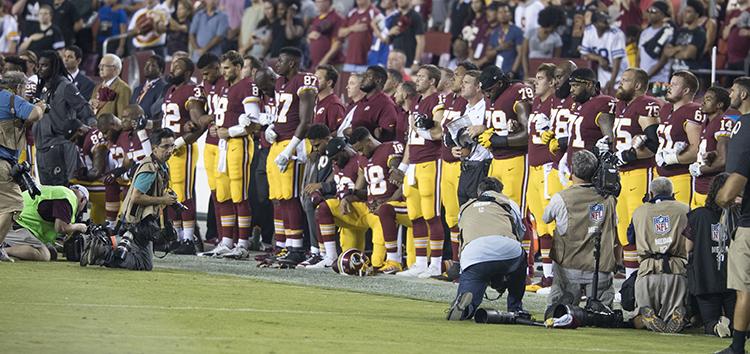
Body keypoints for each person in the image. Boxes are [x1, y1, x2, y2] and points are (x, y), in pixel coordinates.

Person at [80, 128, 177, 271]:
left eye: (172, 145)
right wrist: (163, 200)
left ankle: (103, 247)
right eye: (165, 146)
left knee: (140, 257)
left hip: (140, 219)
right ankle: (102, 251)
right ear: (155, 148)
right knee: (144, 264)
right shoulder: (150, 169)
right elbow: (136, 197)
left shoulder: (160, 165)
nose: (170, 150)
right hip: (137, 221)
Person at [543, 150, 618, 310]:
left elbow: (545, 218)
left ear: (573, 171)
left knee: (558, 314)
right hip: (600, 269)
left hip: (568, 269)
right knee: (602, 317)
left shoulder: (561, 198)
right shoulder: (609, 199)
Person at [607, 68, 663, 279]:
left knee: (639, 228)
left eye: (625, 80)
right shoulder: (622, 105)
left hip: (641, 173)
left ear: (638, 85)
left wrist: (629, 155)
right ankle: (631, 281)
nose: (619, 84)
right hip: (623, 175)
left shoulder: (646, 104)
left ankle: (645, 278)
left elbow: (655, 144)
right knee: (624, 231)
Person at [265, 47, 318, 265]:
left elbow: (305, 120)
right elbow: (283, 113)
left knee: (291, 197)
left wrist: (290, 149)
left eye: (282, 61)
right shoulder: (280, 83)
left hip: (293, 145)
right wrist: (272, 126)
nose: (277, 65)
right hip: (279, 142)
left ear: (293, 63)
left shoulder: (304, 81)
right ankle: (286, 244)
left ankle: (296, 247)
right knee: (279, 198)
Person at [446, 177, 526, 320]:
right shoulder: (509, 203)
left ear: (479, 193)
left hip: (473, 254)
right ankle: (515, 307)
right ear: (500, 191)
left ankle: (465, 307)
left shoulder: (465, 207)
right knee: (520, 256)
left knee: (475, 281)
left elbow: (463, 236)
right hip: (506, 248)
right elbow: (519, 233)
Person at [392, 64, 446, 278]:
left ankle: (436, 263)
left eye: (422, 76)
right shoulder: (416, 102)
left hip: (431, 161)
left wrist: (422, 130)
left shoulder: (437, 101)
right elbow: (410, 138)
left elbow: (439, 131)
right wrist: (404, 165)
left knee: (431, 214)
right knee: (415, 215)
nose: (417, 79)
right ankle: (421, 262)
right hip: (414, 162)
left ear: (432, 81)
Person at [208, 51, 260, 259]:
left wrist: (229, 131)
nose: (223, 71)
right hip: (223, 144)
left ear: (238, 67)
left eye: (228, 67)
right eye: (222, 67)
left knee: (240, 194)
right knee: (224, 194)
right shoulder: (226, 87)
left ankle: (243, 244)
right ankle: (227, 241)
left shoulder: (247, 86)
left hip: (238, 144)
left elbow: (254, 122)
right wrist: (217, 128)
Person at [715, 76, 750, 354]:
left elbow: (739, 173)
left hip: (749, 223)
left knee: (745, 288)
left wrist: (723, 198)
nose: (731, 94)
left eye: (734, 90)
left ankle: (737, 347)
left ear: (745, 94)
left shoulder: (745, 126)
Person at [160, 56, 209, 255]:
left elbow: (199, 124)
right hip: (168, 149)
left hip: (183, 148)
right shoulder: (171, 90)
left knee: (184, 193)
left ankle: (189, 239)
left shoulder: (192, 90)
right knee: (171, 194)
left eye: (178, 67)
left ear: (188, 73)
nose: (172, 70)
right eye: (172, 66)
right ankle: (178, 236)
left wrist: (180, 141)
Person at [630, 177, 690, 333]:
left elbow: (630, 238)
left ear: (651, 193)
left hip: (647, 272)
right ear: (672, 193)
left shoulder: (639, 211)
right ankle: (676, 315)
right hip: (676, 272)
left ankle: (645, 316)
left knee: (636, 318)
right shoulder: (685, 209)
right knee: (679, 313)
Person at [350, 127, 409, 272]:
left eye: (361, 148)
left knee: (377, 263)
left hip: (393, 205)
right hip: (374, 208)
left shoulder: (390, 148)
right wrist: (351, 196)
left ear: (368, 141)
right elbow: (369, 188)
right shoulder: (362, 159)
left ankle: (393, 261)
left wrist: (387, 200)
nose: (360, 153)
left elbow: (400, 180)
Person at [474, 65, 532, 214]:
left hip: (516, 160)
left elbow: (528, 135)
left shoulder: (518, 92)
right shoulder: (492, 96)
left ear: (500, 84)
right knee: (495, 209)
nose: (487, 95)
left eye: (489, 90)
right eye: (484, 91)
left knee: (515, 210)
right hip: (496, 160)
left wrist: (496, 141)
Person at [0, 73, 45, 262]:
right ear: (18, 87)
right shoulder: (9, 97)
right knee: (14, 204)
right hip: (2, 162)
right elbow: (34, 114)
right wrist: (40, 107)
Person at [33, 50, 95, 186]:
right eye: (39, 65)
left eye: (44, 65)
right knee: (47, 193)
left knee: (63, 191)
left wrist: (91, 132)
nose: (40, 69)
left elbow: (85, 109)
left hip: (59, 145)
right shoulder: (42, 87)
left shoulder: (65, 86)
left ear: (54, 66)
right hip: (41, 147)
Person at [524, 63, 560, 291]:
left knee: (553, 225)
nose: (535, 82)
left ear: (552, 81)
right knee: (540, 224)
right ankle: (546, 276)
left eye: (540, 78)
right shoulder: (538, 103)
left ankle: (556, 277)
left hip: (548, 167)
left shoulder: (556, 104)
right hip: (534, 168)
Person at [686, 173, 735, 338]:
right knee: (738, 324)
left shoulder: (698, 215)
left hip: (706, 279)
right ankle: (730, 324)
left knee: (708, 323)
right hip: (732, 278)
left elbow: (687, 247)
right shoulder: (738, 215)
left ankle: (716, 326)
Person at [440, 61, 477, 265]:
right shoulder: (450, 99)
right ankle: (456, 263)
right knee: (451, 218)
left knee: (464, 218)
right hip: (446, 162)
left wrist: (466, 149)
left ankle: (467, 262)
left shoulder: (468, 101)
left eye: (458, 76)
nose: (455, 79)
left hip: (462, 164)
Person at [5, 184, 88, 261]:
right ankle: (3, 251)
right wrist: (79, 226)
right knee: (44, 255)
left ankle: (7, 246)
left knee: (52, 252)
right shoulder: (68, 198)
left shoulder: (57, 192)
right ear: (83, 200)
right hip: (14, 223)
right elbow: (61, 228)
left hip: (13, 220)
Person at [656, 71, 703, 206]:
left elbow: (696, 150)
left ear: (686, 90)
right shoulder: (666, 109)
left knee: (682, 222)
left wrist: (671, 159)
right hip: (661, 177)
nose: (669, 87)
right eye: (670, 83)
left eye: (674, 84)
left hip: (681, 176)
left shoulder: (693, 111)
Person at [691, 86, 734, 208]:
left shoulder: (723, 122)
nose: (703, 102)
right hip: (699, 186)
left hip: (712, 189)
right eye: (704, 98)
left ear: (719, 104)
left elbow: (723, 160)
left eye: (708, 99)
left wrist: (701, 169)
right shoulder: (706, 123)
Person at [580, 11, 626, 93]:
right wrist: (598, 58)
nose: (606, 22)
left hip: (620, 74)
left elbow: (617, 61)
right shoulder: (589, 31)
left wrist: (612, 81)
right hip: (603, 74)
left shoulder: (616, 34)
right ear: (595, 23)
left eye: (606, 20)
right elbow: (584, 53)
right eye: (602, 21)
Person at [349, 65, 398, 141]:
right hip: (356, 150)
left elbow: (387, 136)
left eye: (367, 76)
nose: (363, 79)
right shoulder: (361, 102)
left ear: (378, 81)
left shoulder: (386, 104)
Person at [661, 0, 706, 73]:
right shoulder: (679, 31)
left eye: (689, 12)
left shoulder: (699, 33)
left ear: (697, 15)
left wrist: (673, 52)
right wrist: (680, 48)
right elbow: (666, 51)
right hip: (674, 72)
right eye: (684, 11)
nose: (684, 14)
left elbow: (688, 54)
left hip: (690, 73)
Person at [521, 7, 563, 79]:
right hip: (530, 68)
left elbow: (556, 59)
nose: (554, 28)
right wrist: (526, 72)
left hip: (547, 72)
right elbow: (524, 54)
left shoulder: (556, 38)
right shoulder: (530, 32)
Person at [639, 1, 673, 89]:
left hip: (659, 80)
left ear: (662, 14)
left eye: (653, 11)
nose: (650, 14)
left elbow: (663, 60)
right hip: (643, 80)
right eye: (648, 11)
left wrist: (647, 76)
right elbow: (638, 56)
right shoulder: (644, 32)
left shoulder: (668, 32)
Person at [340, 0, 380, 73]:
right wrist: (352, 28)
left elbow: (381, 35)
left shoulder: (374, 12)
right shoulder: (351, 13)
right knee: (347, 83)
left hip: (366, 61)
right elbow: (340, 33)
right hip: (349, 60)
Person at [91, 54, 132, 118]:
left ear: (115, 69)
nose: (101, 68)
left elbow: (122, 118)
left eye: (105, 66)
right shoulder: (97, 87)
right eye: (100, 65)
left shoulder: (123, 88)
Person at [388, 0, 425, 72]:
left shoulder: (416, 16)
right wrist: (390, 33)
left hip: (409, 64)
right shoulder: (394, 17)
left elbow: (421, 41)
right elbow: (387, 41)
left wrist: (416, 62)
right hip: (394, 63)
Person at [130, 55, 167, 122]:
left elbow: (157, 112)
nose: (146, 67)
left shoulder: (163, 88)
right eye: (146, 64)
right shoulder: (137, 89)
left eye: (152, 65)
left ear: (160, 70)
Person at [308, 0, 344, 68]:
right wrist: (309, 36)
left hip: (330, 64)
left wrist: (324, 61)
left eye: (321, 1)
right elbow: (309, 39)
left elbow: (337, 44)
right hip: (315, 63)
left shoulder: (336, 18)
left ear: (328, 2)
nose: (318, 4)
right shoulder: (316, 19)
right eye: (317, 2)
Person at [313, 65, 346, 134]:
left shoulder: (334, 105)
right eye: (314, 78)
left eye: (318, 79)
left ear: (329, 82)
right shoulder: (314, 100)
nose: (314, 82)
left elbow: (337, 132)